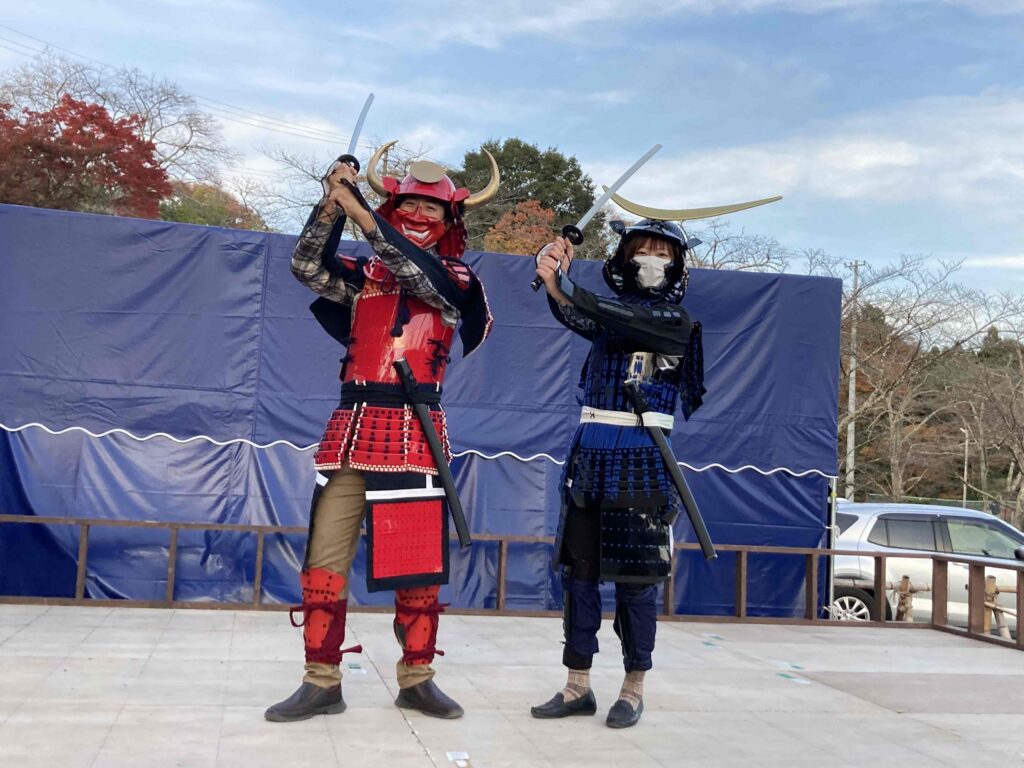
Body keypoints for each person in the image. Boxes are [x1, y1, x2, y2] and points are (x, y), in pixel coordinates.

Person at [265, 141, 499, 722]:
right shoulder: (365, 277)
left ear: (450, 222)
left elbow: (417, 275)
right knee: (323, 558)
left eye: (434, 210)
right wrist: (330, 204)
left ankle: (417, 677)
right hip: (350, 425)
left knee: (416, 565)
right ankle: (322, 680)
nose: (421, 216)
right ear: (397, 210)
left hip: (414, 429)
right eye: (411, 206)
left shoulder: (456, 278)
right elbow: (307, 267)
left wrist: (361, 212)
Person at [529, 219, 705, 729]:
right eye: (641, 250)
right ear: (624, 258)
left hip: (644, 462)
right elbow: (578, 314)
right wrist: (554, 275)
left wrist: (572, 288)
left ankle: (633, 688)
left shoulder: (676, 321)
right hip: (589, 459)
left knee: (636, 583)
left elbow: (613, 316)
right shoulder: (608, 320)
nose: (650, 259)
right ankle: (576, 685)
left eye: (661, 252)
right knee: (579, 579)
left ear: (676, 264)